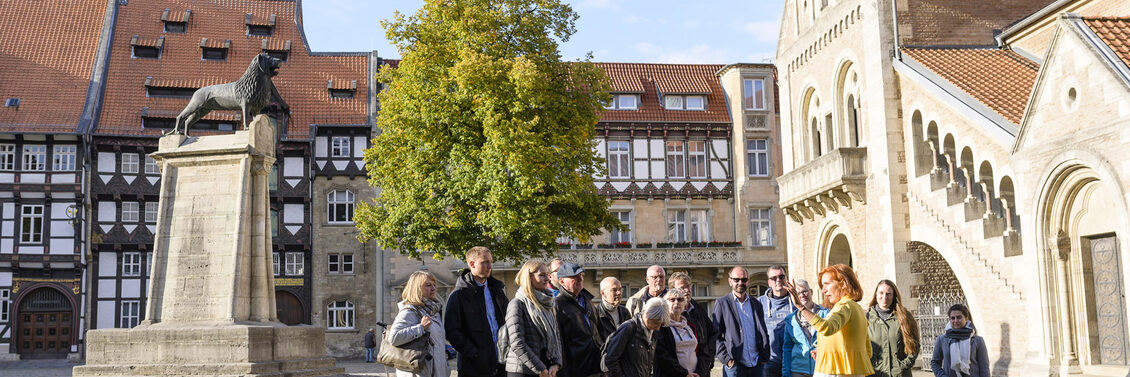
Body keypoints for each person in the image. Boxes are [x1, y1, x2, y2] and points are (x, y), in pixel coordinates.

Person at [782, 264, 873, 377]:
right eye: (822, 286)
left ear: (843, 284)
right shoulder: (856, 307)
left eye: (827, 284)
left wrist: (800, 307)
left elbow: (826, 328)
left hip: (836, 372)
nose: (824, 290)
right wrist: (824, 351)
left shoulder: (844, 306)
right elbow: (867, 350)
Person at [446, 246, 509, 377]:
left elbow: (509, 321)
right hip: (473, 368)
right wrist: (475, 354)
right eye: (485, 262)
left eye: (491, 262)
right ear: (471, 264)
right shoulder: (459, 295)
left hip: (501, 364)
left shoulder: (497, 291)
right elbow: (452, 331)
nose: (489, 266)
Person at [501, 261, 562, 377]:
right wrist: (541, 369)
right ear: (529, 277)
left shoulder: (548, 303)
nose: (547, 279)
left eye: (547, 275)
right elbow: (517, 343)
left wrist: (556, 363)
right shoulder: (517, 304)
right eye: (541, 275)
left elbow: (556, 336)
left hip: (546, 369)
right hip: (522, 371)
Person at [387, 270, 449, 377]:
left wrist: (445, 368)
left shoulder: (433, 311)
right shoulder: (410, 311)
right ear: (417, 289)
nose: (433, 288)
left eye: (434, 284)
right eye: (428, 285)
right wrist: (420, 327)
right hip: (418, 372)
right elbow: (394, 338)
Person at [713, 266, 770, 377]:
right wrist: (727, 360)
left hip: (757, 364)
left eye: (744, 280)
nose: (740, 282)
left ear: (748, 281)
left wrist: (764, 357)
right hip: (735, 366)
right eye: (736, 280)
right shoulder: (722, 303)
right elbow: (716, 335)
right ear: (730, 281)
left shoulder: (756, 303)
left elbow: (762, 331)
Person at [554, 262, 602, 377]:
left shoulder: (586, 299)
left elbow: (597, 330)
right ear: (562, 282)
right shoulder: (557, 305)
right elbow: (559, 343)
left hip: (596, 366)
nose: (580, 279)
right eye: (574, 276)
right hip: (576, 369)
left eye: (581, 275)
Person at [867, 280, 920, 377]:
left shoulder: (904, 317)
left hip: (900, 374)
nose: (884, 297)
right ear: (876, 294)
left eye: (888, 294)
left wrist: (901, 367)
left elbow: (914, 345)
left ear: (894, 295)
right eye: (881, 293)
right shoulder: (866, 318)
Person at [602, 297, 667, 377]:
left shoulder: (653, 332)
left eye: (660, 324)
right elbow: (610, 360)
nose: (658, 328)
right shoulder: (628, 328)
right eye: (656, 323)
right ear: (647, 314)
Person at [668, 272, 716, 374]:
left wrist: (709, 360)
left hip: (702, 369)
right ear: (672, 291)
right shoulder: (669, 316)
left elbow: (712, 333)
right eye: (682, 288)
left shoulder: (698, 309)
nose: (686, 290)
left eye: (688, 286)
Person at [655, 288, 706, 377]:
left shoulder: (692, 325)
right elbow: (662, 356)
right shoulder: (660, 327)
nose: (676, 302)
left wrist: (699, 372)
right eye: (672, 299)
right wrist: (684, 374)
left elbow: (703, 350)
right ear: (665, 304)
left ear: (684, 303)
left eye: (680, 299)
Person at [930, 304, 988, 377]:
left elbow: (984, 367)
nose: (956, 321)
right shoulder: (942, 340)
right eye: (952, 318)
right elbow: (935, 363)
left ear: (966, 318)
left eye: (959, 317)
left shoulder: (977, 340)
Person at [781, 279, 824, 377]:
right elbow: (787, 348)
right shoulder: (790, 320)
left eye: (805, 291)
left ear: (811, 292)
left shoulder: (825, 314)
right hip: (797, 370)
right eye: (798, 293)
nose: (802, 295)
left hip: (820, 369)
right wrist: (786, 373)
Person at [759, 265, 794, 377]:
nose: (778, 280)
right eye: (774, 278)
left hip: (793, 360)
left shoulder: (796, 301)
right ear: (769, 282)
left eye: (781, 277)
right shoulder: (759, 303)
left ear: (786, 279)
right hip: (769, 361)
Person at [594, 276, 631, 344]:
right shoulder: (595, 314)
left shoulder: (625, 312)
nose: (619, 293)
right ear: (603, 293)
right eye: (614, 290)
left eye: (620, 289)